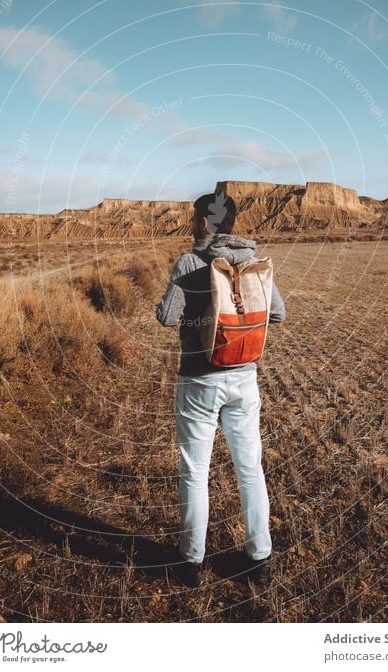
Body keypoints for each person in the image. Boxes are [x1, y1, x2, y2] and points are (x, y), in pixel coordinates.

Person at [156, 191, 286, 587]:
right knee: (249, 467)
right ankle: (258, 558)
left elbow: (166, 316)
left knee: (196, 470)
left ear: (203, 223)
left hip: (199, 378)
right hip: (244, 378)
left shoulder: (190, 261)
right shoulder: (252, 261)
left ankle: (191, 562)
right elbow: (277, 313)